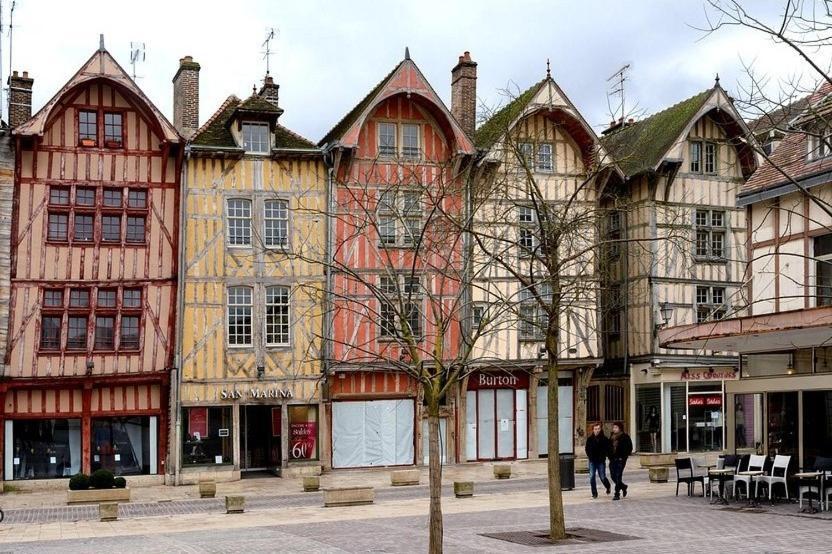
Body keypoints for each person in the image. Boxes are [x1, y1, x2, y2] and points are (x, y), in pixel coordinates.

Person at [584, 422, 611, 499]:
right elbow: (587, 449)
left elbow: (607, 449)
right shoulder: (590, 439)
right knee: (592, 477)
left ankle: (608, 486)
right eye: (595, 429)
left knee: (602, 477)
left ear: (600, 429)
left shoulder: (604, 439)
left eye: (598, 429)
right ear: (593, 430)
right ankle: (594, 493)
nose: (597, 430)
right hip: (592, 461)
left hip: (601, 461)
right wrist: (590, 456)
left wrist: (604, 456)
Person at [609, 421, 633, 500]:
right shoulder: (611, 437)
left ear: (620, 428)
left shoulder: (625, 437)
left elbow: (629, 448)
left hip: (620, 460)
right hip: (612, 459)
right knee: (613, 476)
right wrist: (609, 456)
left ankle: (617, 494)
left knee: (618, 476)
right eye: (614, 427)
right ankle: (623, 486)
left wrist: (623, 457)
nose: (614, 429)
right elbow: (608, 447)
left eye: (616, 427)